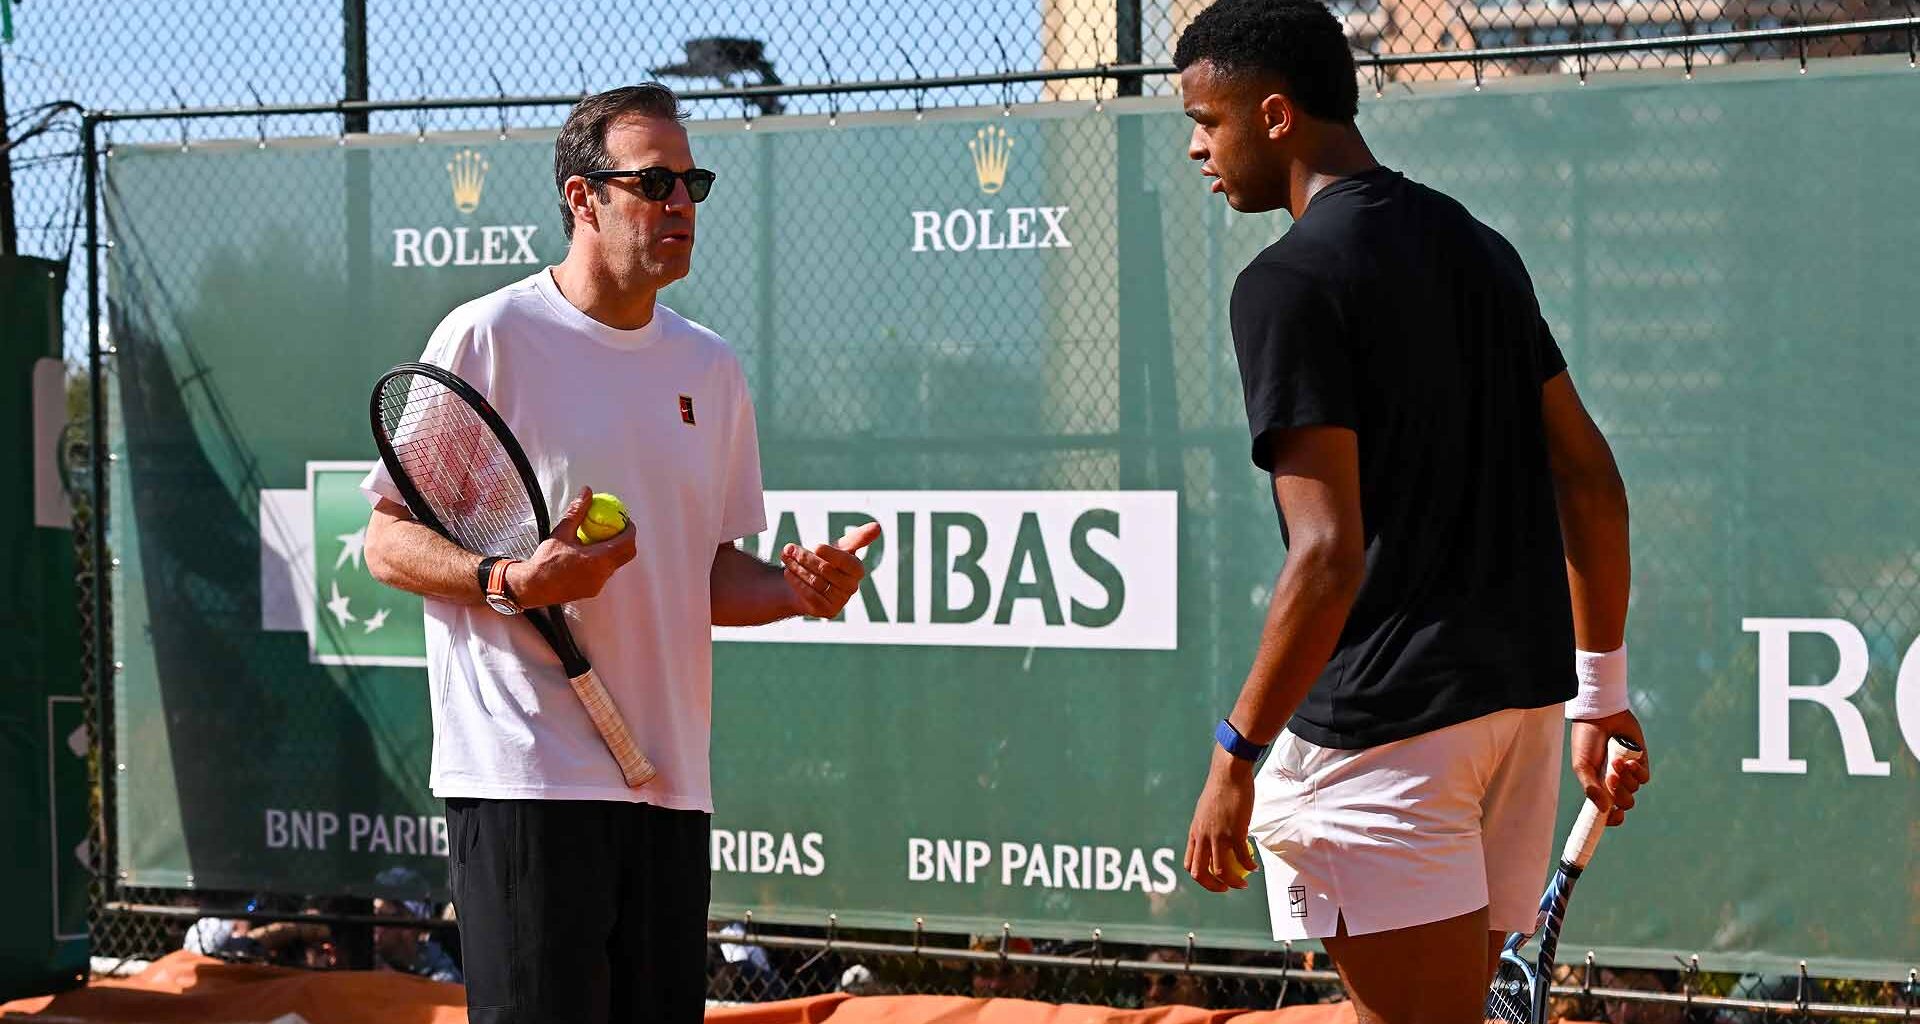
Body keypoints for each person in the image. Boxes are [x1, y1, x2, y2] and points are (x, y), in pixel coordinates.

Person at [1170, 3, 1651, 1022]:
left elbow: (1326, 555)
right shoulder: (1483, 249)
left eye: (1207, 122)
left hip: (1385, 737)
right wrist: (1598, 693)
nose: (1197, 148)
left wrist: (1234, 754)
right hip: (1513, 722)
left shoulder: (1284, 284)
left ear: (1275, 115)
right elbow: (1590, 481)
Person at [362, 83, 878, 1023]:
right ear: (583, 198)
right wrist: (508, 579)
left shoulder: (709, 368)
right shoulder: (488, 336)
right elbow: (386, 540)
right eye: (654, 183)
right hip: (523, 777)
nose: (681, 204)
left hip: (668, 786)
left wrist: (800, 590)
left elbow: (705, 575)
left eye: (692, 184)